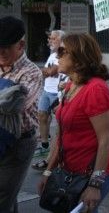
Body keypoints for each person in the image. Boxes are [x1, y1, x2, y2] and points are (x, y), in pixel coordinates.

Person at [37, 33, 109, 212]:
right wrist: (48, 172)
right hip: (68, 172)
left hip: (90, 174)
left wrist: (95, 185)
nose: (57, 55)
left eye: (62, 51)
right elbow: (61, 135)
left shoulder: (96, 89)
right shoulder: (71, 85)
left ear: (79, 56)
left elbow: (105, 139)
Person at [0, 16, 43, 212]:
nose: (0, 53)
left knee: (3, 195)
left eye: (5, 48)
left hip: (19, 143)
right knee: (9, 196)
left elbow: (13, 106)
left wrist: (7, 97)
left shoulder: (31, 72)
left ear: (21, 45)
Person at [32, 30, 65, 170]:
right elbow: (44, 72)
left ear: (61, 40)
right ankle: (46, 145)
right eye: (50, 39)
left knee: (61, 125)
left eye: (53, 39)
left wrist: (48, 71)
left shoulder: (64, 55)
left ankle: (56, 155)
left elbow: (50, 71)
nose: (50, 41)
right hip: (47, 90)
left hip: (58, 93)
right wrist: (47, 71)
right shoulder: (52, 55)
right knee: (41, 114)